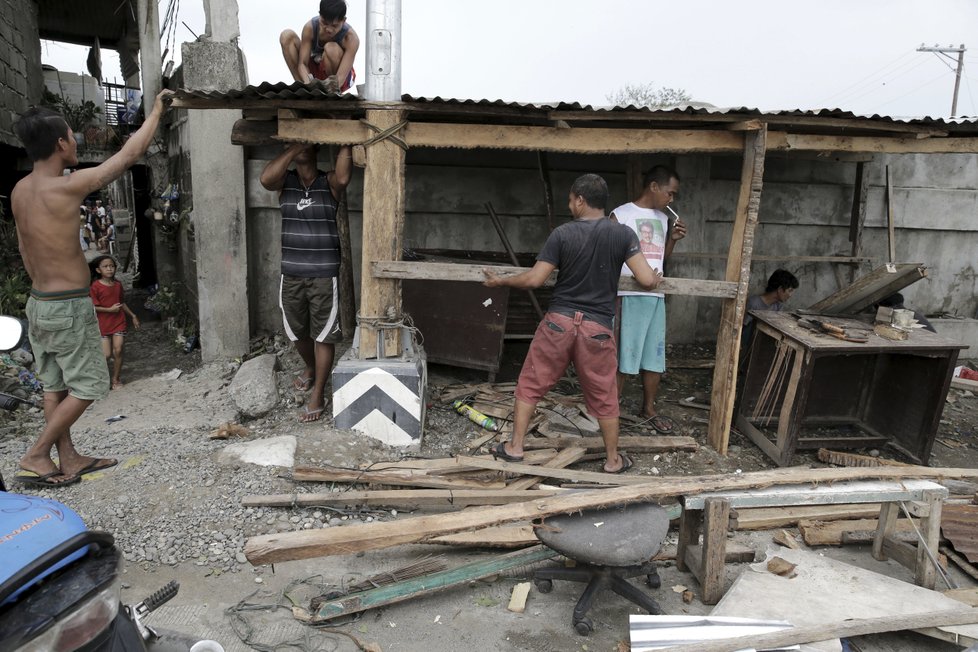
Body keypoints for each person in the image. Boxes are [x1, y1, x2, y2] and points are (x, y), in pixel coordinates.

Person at [10, 88, 172, 487]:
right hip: (67, 306)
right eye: (72, 136)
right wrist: (156, 111)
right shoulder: (65, 187)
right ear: (62, 143)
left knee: (55, 385)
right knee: (89, 385)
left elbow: (24, 247)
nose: (76, 142)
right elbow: (127, 157)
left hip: (39, 303)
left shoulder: (19, 191)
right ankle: (36, 453)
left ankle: (69, 457)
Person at [483, 174, 662, 474]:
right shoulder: (623, 235)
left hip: (559, 323)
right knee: (605, 395)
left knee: (530, 384)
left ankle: (514, 447)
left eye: (570, 199)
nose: (569, 204)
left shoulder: (562, 234)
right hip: (597, 329)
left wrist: (500, 280)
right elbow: (645, 279)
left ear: (580, 199)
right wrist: (655, 279)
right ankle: (612, 460)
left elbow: (535, 279)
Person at [260, 142, 352, 422]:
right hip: (292, 272)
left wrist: (345, 137)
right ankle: (311, 367)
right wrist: (292, 147)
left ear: (315, 148)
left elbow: (345, 176)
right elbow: (265, 179)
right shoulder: (284, 182)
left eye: (304, 144)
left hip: (324, 273)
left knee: (324, 334)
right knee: (296, 332)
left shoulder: (329, 182)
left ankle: (318, 393)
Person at [612, 165, 686, 434]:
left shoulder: (663, 219)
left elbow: (660, 259)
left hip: (655, 296)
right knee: (623, 355)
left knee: (654, 356)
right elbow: (609, 258)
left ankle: (649, 408)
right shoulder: (620, 215)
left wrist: (673, 240)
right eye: (670, 193)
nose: (671, 199)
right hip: (627, 295)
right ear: (654, 187)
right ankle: (612, 409)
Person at [280, 0, 359, 92]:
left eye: (334, 26)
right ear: (320, 15)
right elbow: (302, 64)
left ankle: (331, 91)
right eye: (324, 23)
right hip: (315, 70)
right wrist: (308, 82)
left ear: (344, 21)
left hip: (340, 77)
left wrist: (334, 88)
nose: (328, 29)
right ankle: (304, 89)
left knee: (331, 48)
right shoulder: (310, 28)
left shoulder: (351, 38)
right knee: (286, 36)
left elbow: (341, 76)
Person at [90, 255, 140, 389]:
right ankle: (100, 379)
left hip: (118, 321)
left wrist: (133, 315)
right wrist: (109, 309)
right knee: (106, 354)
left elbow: (121, 302)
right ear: (98, 270)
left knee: (118, 350)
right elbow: (93, 307)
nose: (109, 269)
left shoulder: (117, 285)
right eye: (105, 266)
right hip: (103, 324)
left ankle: (116, 380)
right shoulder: (95, 286)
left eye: (111, 266)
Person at [741, 269, 800, 354]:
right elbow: (741, 329)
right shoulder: (754, 303)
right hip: (747, 348)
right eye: (790, 290)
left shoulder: (778, 306)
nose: (790, 295)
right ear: (780, 289)